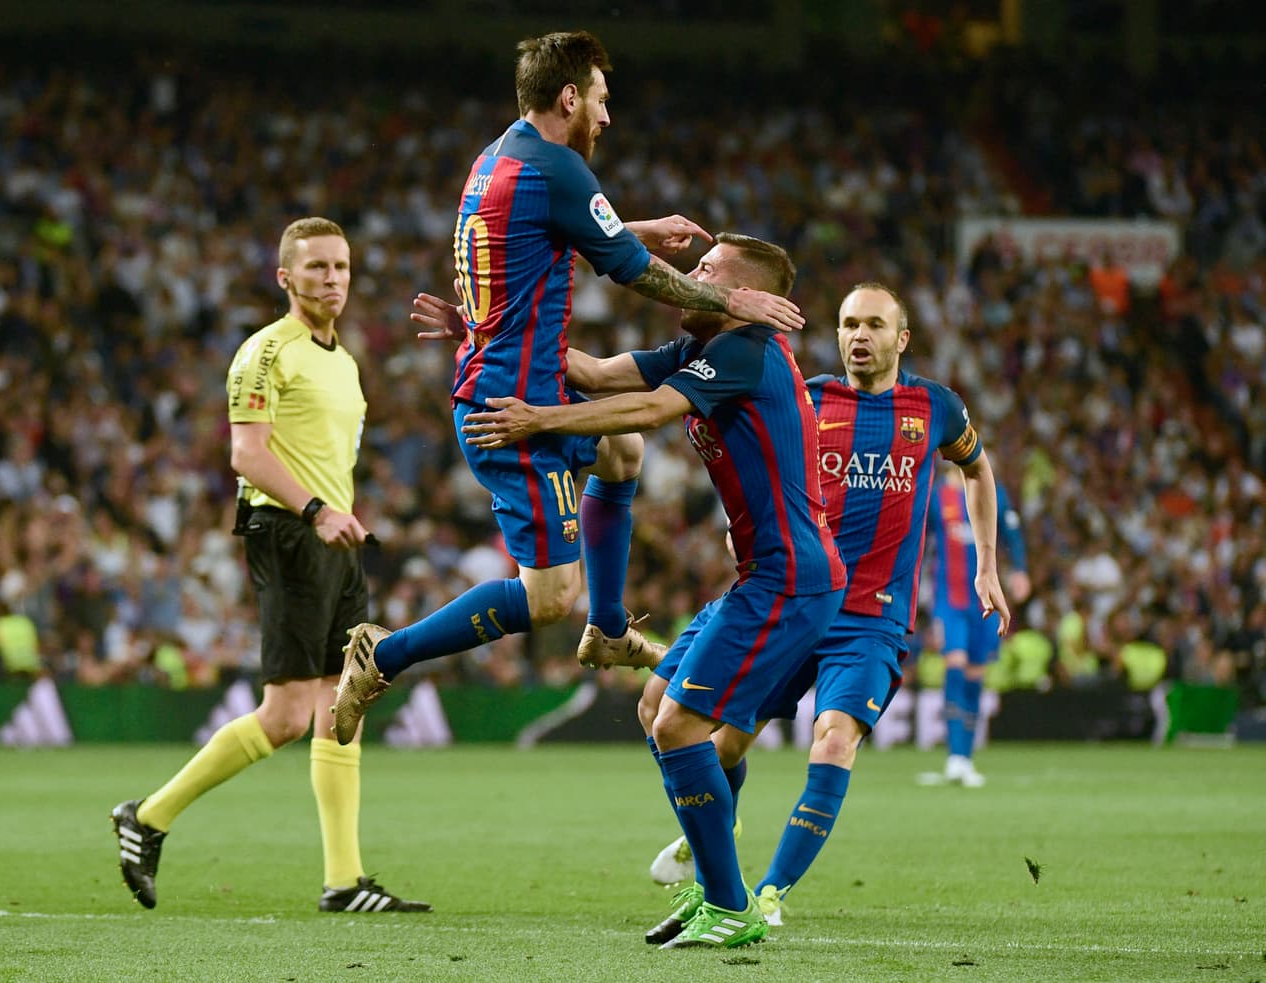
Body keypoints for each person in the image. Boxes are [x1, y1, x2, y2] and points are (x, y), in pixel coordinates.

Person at [341, 234, 845, 949]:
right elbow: (599, 371)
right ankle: (714, 887)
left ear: (744, 293)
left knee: (679, 727)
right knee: (654, 705)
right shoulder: (705, 351)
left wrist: (539, 418)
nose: (688, 278)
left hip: (790, 581)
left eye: (707, 271)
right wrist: (487, 337)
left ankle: (728, 903)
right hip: (767, 577)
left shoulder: (745, 351)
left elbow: (643, 414)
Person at [329, 32, 806, 746]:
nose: (608, 119)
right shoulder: (558, 168)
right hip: (510, 408)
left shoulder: (499, 158)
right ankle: (382, 653)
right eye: (603, 101)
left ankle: (609, 631)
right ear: (571, 97)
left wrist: (633, 228)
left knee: (621, 452)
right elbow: (633, 272)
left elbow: (541, 236)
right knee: (550, 597)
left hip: (515, 374)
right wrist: (734, 302)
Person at [643, 282, 1013, 931]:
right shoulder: (807, 396)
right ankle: (714, 847)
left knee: (833, 738)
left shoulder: (937, 409)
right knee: (720, 744)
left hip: (871, 619)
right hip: (798, 599)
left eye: (874, 324)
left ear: (902, 338)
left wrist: (986, 563)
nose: (858, 336)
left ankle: (767, 894)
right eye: (847, 323)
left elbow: (977, 469)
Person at [111, 218, 430, 915]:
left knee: (344, 700)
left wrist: (337, 513)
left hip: (333, 539)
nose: (333, 279)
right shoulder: (263, 352)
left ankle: (344, 881)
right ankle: (150, 816)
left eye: (341, 267)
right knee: (286, 713)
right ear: (285, 277)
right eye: (316, 267)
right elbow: (247, 455)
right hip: (288, 531)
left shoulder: (343, 359)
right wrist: (317, 510)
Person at [921, 465, 1030, 787]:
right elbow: (917, 538)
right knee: (954, 666)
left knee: (974, 675)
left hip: (984, 602)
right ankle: (955, 757)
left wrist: (1020, 570)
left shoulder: (994, 491)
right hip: (949, 599)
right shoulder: (938, 494)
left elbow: (1012, 532)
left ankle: (965, 758)